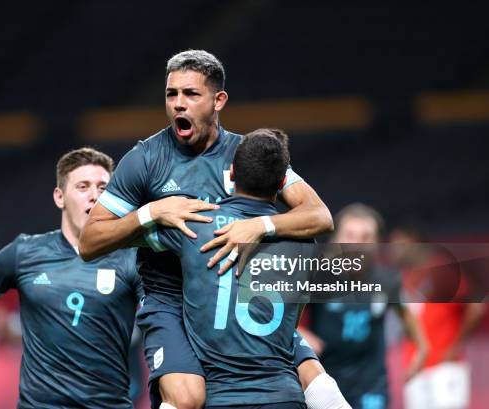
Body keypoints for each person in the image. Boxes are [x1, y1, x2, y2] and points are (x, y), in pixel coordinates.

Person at [80, 50, 337, 409]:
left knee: (321, 384)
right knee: (187, 399)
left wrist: (258, 226)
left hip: (231, 298)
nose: (178, 105)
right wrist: (151, 212)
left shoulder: (245, 155)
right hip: (169, 297)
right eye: (172, 95)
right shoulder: (145, 159)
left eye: (191, 94)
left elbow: (319, 215)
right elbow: (90, 241)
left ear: (218, 100)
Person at [0, 148, 143, 409]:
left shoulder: (133, 258)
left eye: (103, 188)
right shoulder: (24, 254)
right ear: (59, 197)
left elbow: (169, 322)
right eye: (83, 187)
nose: (94, 196)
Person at [143, 129, 350, 408]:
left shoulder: (194, 225)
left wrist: (153, 212)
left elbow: (114, 239)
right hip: (283, 397)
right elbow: (292, 323)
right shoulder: (304, 241)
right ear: (281, 185)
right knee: (321, 385)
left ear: (230, 175)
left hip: (223, 397)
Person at [299, 204, 428, 409]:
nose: (357, 243)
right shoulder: (317, 277)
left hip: (370, 383)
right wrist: (301, 332)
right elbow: (286, 320)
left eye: (366, 236)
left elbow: (406, 314)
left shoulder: (387, 280)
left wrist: (422, 348)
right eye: (350, 235)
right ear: (335, 240)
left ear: (377, 243)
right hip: (324, 380)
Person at [390, 227, 486, 409]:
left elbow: (476, 306)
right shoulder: (404, 276)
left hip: (444, 367)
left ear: (413, 240)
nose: (395, 250)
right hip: (416, 367)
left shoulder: (441, 269)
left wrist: (456, 346)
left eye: (400, 244)